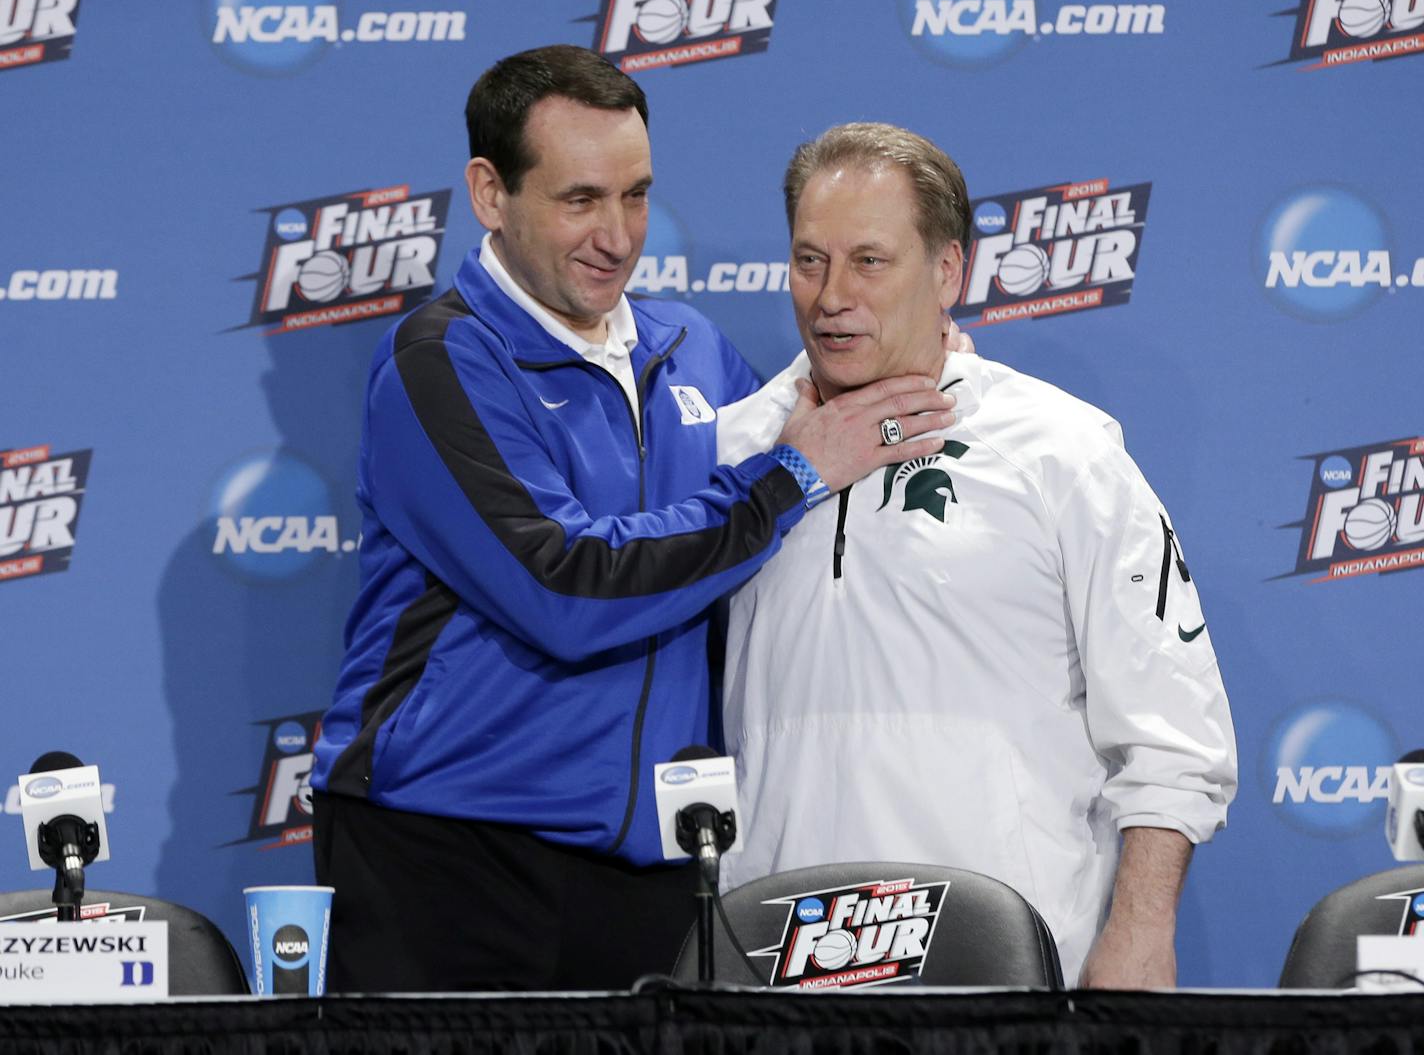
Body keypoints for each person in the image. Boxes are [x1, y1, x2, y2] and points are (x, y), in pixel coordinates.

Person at [307, 48, 957, 992]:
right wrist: (787, 479)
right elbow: (562, 582)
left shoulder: (691, 347)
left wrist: (917, 388)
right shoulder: (439, 361)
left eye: (636, 196)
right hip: (447, 854)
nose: (618, 236)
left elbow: (824, 471)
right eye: (580, 200)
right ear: (490, 194)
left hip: (655, 868)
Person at [716, 123, 1237, 988]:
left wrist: (1141, 931)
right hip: (775, 972)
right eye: (810, 261)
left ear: (949, 270)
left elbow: (1173, 731)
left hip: (1006, 975)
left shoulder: (1064, 452)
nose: (832, 295)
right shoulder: (734, 450)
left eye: (869, 261)